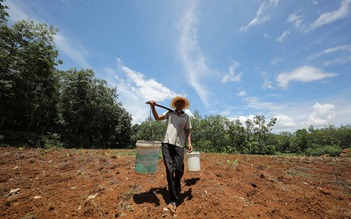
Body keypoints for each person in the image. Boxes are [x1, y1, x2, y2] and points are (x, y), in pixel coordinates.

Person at [148, 96, 193, 213]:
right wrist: (153, 107)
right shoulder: (169, 113)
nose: (179, 103)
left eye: (181, 102)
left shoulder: (186, 117)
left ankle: (177, 183)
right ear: (174, 104)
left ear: (183, 105)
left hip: (180, 144)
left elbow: (188, 130)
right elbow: (158, 118)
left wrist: (189, 143)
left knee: (179, 168)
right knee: (169, 169)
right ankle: (172, 200)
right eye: (177, 102)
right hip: (167, 143)